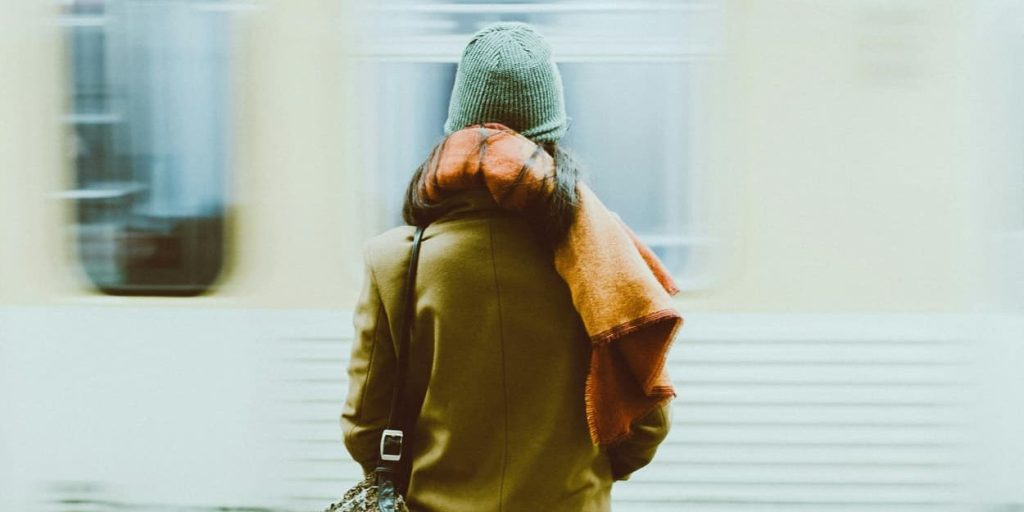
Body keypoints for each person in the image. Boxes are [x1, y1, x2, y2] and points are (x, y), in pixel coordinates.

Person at [341, 22, 682, 512]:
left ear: (458, 134)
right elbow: (646, 422)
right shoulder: (601, 256)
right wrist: (580, 474)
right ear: (552, 137)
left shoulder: (394, 261)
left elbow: (365, 428)